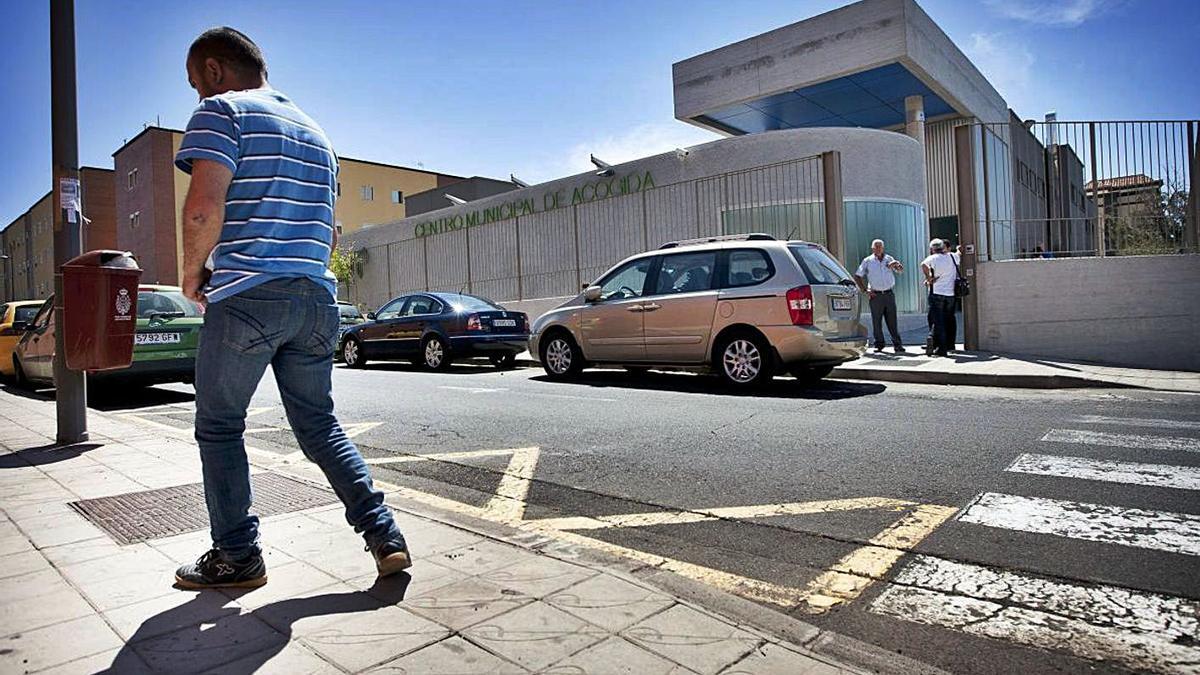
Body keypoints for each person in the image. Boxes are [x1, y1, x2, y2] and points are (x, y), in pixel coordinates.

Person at [171, 27, 409, 589]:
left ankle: (236, 556)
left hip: (248, 295)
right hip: (317, 298)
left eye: (193, 83)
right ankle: (384, 535)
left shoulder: (222, 112)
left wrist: (190, 275)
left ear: (212, 69)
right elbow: (329, 232)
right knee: (320, 425)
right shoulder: (317, 134)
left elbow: (204, 210)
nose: (195, 97)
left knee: (220, 426)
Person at [853, 239, 905, 353]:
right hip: (876, 295)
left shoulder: (889, 259)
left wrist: (897, 265)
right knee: (877, 321)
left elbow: (900, 271)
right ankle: (879, 344)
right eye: (876, 247)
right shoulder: (868, 261)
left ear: (883, 248)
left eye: (880, 247)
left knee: (892, 321)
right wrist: (865, 290)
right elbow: (857, 276)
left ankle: (897, 345)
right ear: (872, 249)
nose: (878, 249)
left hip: (888, 293)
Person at [920, 238, 958, 357]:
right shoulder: (952, 256)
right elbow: (960, 254)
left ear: (932, 249)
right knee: (948, 319)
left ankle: (941, 348)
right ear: (942, 247)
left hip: (937, 293)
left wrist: (929, 277)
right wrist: (958, 249)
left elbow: (923, 264)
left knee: (938, 321)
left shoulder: (933, 258)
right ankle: (948, 344)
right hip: (950, 294)